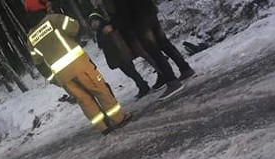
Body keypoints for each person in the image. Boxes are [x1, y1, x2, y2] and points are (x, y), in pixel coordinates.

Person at [25, 0, 131, 135]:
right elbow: (76, 28)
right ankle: (119, 118)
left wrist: (54, 80)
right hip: (79, 65)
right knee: (100, 89)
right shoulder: (54, 19)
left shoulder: (30, 38)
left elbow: (39, 63)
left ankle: (103, 127)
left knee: (84, 100)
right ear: (42, 6)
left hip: (62, 77)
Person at [112, 0, 194, 100]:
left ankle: (172, 81)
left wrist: (123, 27)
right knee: (164, 44)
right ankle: (185, 68)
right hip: (150, 12)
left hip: (139, 21)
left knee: (154, 51)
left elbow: (123, 10)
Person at [87, 12, 152, 99]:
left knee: (131, 71)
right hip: (116, 57)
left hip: (121, 54)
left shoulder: (107, 28)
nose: (94, 24)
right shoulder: (99, 33)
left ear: (100, 20)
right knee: (129, 72)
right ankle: (142, 85)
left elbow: (117, 40)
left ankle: (143, 86)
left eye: (95, 20)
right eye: (91, 23)